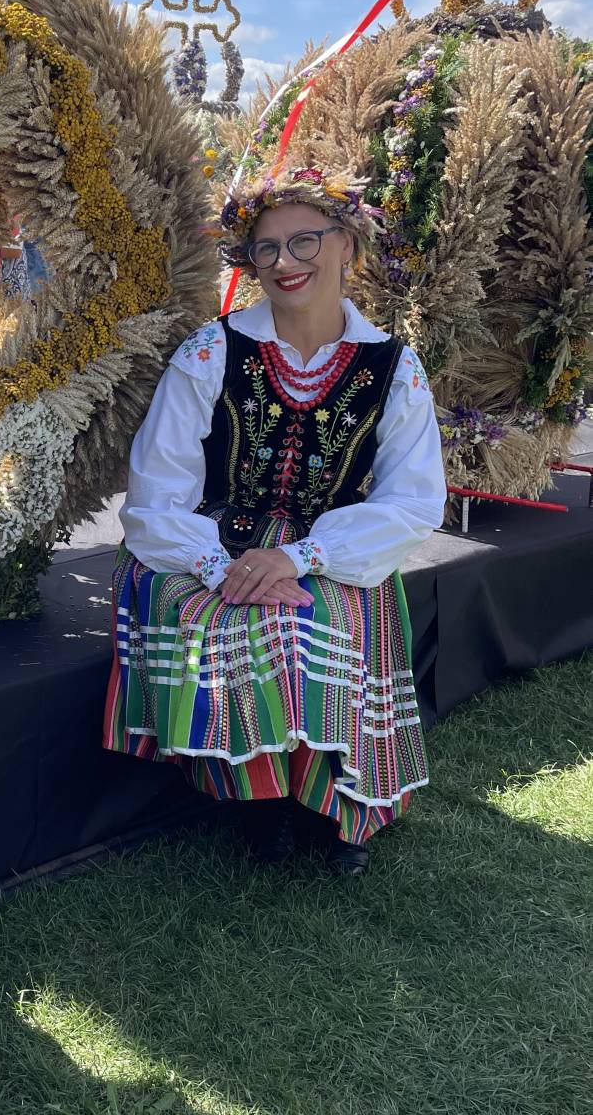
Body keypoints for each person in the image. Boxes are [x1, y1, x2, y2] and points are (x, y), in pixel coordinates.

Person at [104, 165, 446, 876]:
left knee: (327, 613)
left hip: (330, 545)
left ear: (347, 244)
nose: (285, 262)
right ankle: (268, 800)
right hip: (214, 542)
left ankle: (341, 802)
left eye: (304, 241)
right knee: (255, 620)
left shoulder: (394, 367)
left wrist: (300, 557)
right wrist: (221, 567)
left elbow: (412, 501)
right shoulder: (210, 352)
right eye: (267, 248)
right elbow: (155, 495)